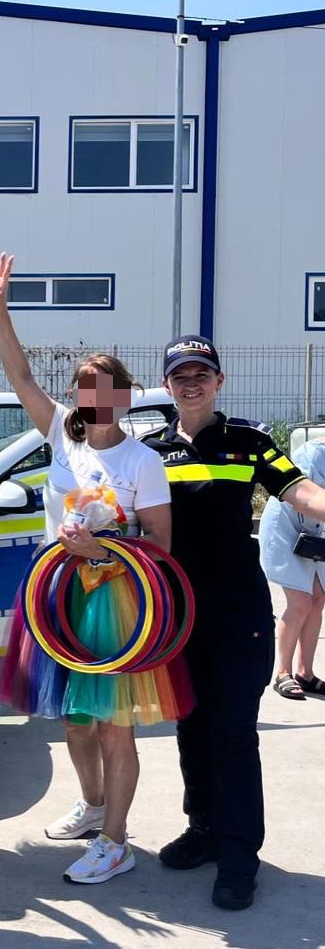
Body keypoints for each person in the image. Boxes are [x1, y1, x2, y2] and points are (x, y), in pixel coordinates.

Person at [0, 254, 179, 885]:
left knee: (115, 727)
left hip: (115, 601)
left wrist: (101, 550)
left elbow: (160, 543)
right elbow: (18, 374)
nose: (98, 398)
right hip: (58, 598)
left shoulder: (143, 461)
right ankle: (94, 807)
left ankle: (116, 842)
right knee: (73, 718)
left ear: (124, 396)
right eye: (87, 387)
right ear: (77, 395)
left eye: (109, 388)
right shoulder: (62, 438)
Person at [142, 334, 325, 909]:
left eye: (202, 374)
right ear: (167, 385)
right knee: (191, 726)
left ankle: (240, 855)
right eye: (180, 375)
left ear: (219, 381)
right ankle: (204, 829)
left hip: (239, 613)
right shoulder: (149, 451)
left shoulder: (251, 442)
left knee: (234, 733)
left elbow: (302, 493)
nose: (191, 383)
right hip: (176, 614)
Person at [259, 439, 325, 700]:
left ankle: (305, 673)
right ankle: (282, 673)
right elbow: (302, 499)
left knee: (317, 599)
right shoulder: (314, 453)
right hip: (285, 531)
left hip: (315, 533)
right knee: (300, 602)